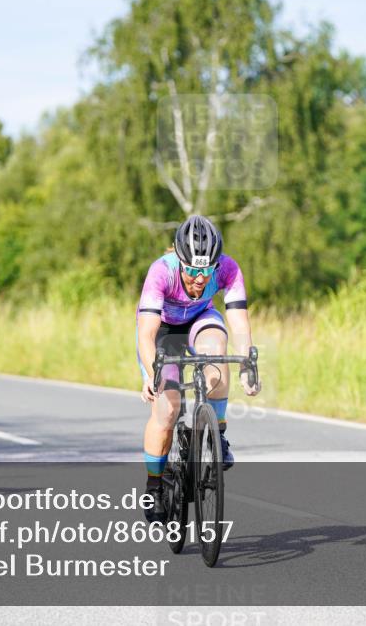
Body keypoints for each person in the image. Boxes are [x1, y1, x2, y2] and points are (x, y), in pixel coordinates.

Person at [136, 215, 261, 523]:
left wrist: (246, 365)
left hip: (201, 319)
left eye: (207, 270)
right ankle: (154, 486)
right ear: (180, 261)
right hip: (165, 330)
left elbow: (239, 323)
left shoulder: (228, 269)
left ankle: (218, 432)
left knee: (217, 353)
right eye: (192, 270)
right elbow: (146, 333)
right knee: (167, 411)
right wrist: (152, 374)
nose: (201, 278)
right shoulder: (161, 271)